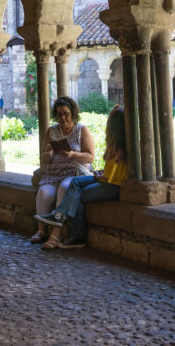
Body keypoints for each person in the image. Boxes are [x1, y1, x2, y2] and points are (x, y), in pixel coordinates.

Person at [35, 106, 128, 249]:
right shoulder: (115, 141)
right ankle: (58, 218)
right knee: (76, 182)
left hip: (113, 186)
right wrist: (101, 173)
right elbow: (112, 169)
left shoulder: (122, 145)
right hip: (106, 179)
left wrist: (101, 176)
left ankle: (78, 237)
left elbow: (114, 176)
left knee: (76, 194)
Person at [30, 96, 95, 245]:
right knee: (44, 192)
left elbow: (90, 157)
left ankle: (56, 233)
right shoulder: (51, 131)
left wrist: (73, 155)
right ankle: (41, 230)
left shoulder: (81, 130)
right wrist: (48, 154)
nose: (62, 117)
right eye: (59, 114)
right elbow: (45, 159)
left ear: (73, 113)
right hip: (54, 173)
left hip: (75, 172)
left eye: (66, 113)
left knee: (65, 188)